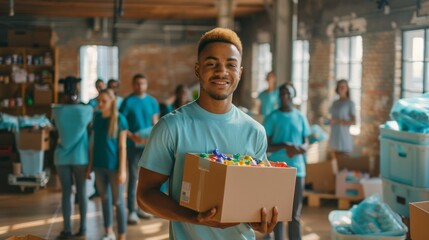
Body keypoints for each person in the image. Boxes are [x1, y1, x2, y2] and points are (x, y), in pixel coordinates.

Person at [136, 27, 278, 240]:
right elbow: (144, 196)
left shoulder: (255, 131)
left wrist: (262, 222)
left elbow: (256, 200)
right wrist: (195, 218)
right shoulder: (172, 127)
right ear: (197, 69)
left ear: (240, 71)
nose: (221, 72)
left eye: (230, 65)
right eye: (211, 64)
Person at [263, 83, 311, 240]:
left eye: (288, 94)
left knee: (294, 214)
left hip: (297, 170)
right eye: (282, 94)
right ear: (279, 96)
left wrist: (299, 148)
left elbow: (306, 143)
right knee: (278, 212)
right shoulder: (272, 117)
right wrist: (285, 145)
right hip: (277, 170)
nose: (285, 97)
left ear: (293, 96)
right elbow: (266, 146)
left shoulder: (300, 117)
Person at [52, 77, 93, 239]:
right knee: (82, 193)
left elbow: (55, 128)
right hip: (80, 157)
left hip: (61, 157)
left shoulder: (57, 110)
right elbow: (90, 128)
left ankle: (67, 230)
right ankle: (83, 228)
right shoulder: (86, 111)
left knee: (66, 193)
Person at [87, 89, 128, 240]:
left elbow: (122, 147)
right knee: (104, 199)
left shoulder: (120, 120)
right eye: (99, 101)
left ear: (112, 101)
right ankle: (108, 232)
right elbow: (93, 144)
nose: (100, 104)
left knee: (118, 202)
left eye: (104, 101)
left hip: (114, 168)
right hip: (99, 166)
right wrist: (90, 166)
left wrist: (122, 170)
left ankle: (121, 236)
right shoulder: (97, 118)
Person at [119, 73, 160, 224]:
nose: (139, 86)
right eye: (137, 84)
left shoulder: (152, 102)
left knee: (147, 179)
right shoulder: (127, 102)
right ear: (132, 85)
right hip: (132, 146)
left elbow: (155, 123)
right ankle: (132, 211)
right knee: (133, 178)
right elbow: (121, 125)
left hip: (148, 146)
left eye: (142, 84)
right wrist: (132, 137)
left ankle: (144, 208)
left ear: (146, 85)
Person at [327, 79, 356, 160]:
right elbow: (332, 118)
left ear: (347, 89)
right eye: (340, 87)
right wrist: (328, 121)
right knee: (334, 165)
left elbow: (354, 122)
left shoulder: (350, 103)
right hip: (334, 136)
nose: (341, 89)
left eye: (343, 87)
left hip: (344, 138)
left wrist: (337, 121)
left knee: (344, 165)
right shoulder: (334, 103)